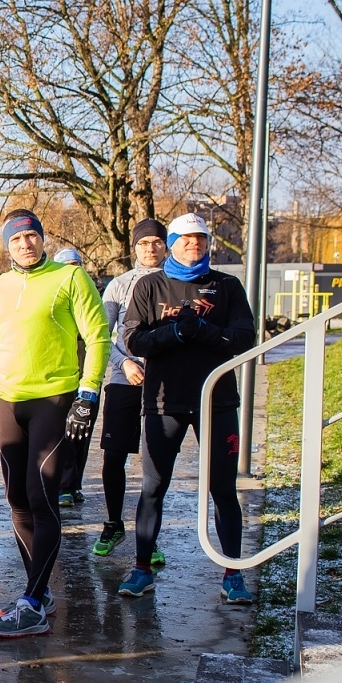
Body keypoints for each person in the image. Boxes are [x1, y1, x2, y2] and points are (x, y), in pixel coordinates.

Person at [0, 211, 109, 637]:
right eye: (17, 239)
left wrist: (88, 393)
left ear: (42, 239)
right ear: (7, 246)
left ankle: (33, 604)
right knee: (16, 498)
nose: (25, 244)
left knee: (42, 497)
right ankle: (38, 592)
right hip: (8, 399)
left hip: (53, 398)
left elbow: (97, 336)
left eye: (31, 236)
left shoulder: (70, 278)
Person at [119, 213, 257, 603]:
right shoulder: (150, 285)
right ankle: (142, 570)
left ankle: (233, 574)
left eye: (201, 239)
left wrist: (207, 332)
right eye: (186, 239)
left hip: (218, 402)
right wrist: (176, 332)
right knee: (153, 487)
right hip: (164, 402)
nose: (194, 244)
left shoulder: (226, 286)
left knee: (223, 489)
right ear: (172, 244)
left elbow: (244, 338)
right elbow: (133, 339)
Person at [92, 219, 168, 561]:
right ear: (134, 247)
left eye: (156, 242)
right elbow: (100, 336)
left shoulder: (177, 283)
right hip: (125, 380)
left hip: (163, 384)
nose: (150, 248)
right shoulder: (118, 286)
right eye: (143, 243)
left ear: (166, 246)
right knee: (113, 457)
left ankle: (148, 536)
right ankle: (113, 523)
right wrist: (124, 363)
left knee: (155, 463)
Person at [53, 247, 97, 507]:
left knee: (83, 434)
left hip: (87, 379)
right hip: (62, 379)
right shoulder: (55, 300)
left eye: (76, 265)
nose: (73, 271)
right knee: (66, 434)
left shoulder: (90, 297)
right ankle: (64, 486)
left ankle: (75, 483)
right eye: (67, 266)